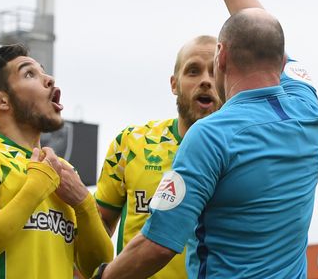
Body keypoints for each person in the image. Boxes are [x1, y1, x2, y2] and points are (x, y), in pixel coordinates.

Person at [92, 0, 318, 278]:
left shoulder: (210, 136)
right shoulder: (306, 108)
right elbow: (265, 33)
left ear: (221, 58)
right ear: (281, 62)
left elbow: (158, 243)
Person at [0, 44, 113, 278]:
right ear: (0, 100)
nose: (49, 79)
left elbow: (96, 264)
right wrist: (36, 186)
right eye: (29, 74)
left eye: (44, 72)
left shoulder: (63, 170)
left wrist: (83, 202)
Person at [94, 34, 222, 279]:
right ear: (174, 84)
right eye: (193, 71)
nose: (205, 80)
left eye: (214, 72)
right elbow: (97, 230)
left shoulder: (243, 155)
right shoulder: (131, 143)